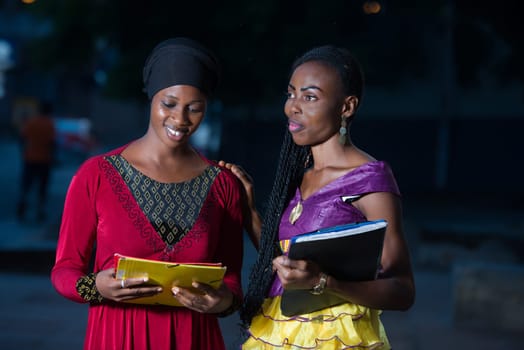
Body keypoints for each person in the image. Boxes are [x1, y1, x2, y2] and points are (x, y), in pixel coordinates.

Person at [51, 37, 244, 350]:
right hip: (117, 336)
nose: (180, 119)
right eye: (168, 104)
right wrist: (95, 286)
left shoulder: (223, 184)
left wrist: (222, 301)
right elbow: (64, 270)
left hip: (194, 337)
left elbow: (232, 280)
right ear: (151, 99)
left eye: (194, 109)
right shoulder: (96, 174)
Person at [221, 45, 415, 349]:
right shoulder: (300, 176)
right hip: (277, 334)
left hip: (337, 340)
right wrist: (250, 212)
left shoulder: (369, 179)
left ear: (346, 107)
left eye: (310, 97)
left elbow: (403, 291)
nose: (292, 107)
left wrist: (326, 284)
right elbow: (286, 267)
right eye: (291, 94)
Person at [16, 100, 56, 221]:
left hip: (30, 158)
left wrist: (24, 150)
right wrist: (53, 157)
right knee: (42, 187)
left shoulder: (31, 123)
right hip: (44, 160)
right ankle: (40, 210)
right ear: (49, 111)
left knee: (26, 185)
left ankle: (22, 205)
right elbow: (52, 143)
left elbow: (22, 137)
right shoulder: (49, 124)